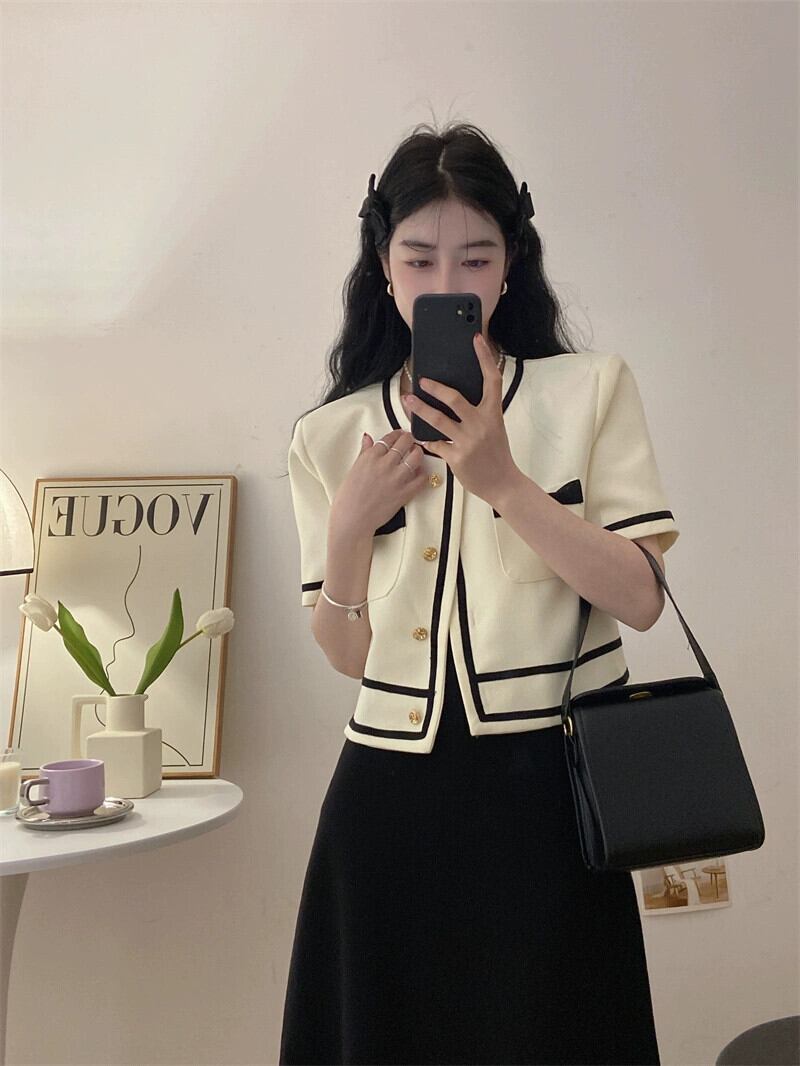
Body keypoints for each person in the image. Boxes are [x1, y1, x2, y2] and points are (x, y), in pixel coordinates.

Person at [279, 121, 678, 1065]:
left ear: (511, 265)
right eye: (418, 258)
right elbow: (347, 657)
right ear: (384, 268)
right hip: (385, 802)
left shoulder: (589, 391)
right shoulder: (331, 436)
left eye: (476, 256)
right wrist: (349, 528)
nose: (445, 281)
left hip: (548, 794)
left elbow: (641, 597)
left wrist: (503, 481)